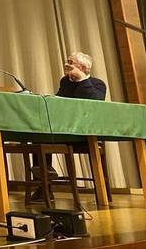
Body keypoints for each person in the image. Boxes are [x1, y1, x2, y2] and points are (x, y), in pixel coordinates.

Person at [30, 51, 106, 202]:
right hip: (64, 130)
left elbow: (96, 103)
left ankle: (101, 193)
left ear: (83, 67)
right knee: (40, 138)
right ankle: (44, 185)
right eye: (67, 62)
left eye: (71, 63)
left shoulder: (97, 84)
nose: (66, 65)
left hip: (84, 134)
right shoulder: (65, 82)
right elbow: (59, 103)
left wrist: (82, 80)